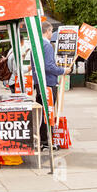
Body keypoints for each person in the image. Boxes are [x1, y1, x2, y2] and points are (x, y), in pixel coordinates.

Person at [31, 22, 72, 151]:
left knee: (42, 112)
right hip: (47, 83)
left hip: (39, 82)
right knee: (47, 112)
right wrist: (63, 71)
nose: (51, 34)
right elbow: (49, 66)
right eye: (51, 31)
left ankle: (41, 139)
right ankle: (44, 140)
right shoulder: (47, 46)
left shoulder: (36, 45)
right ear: (47, 31)